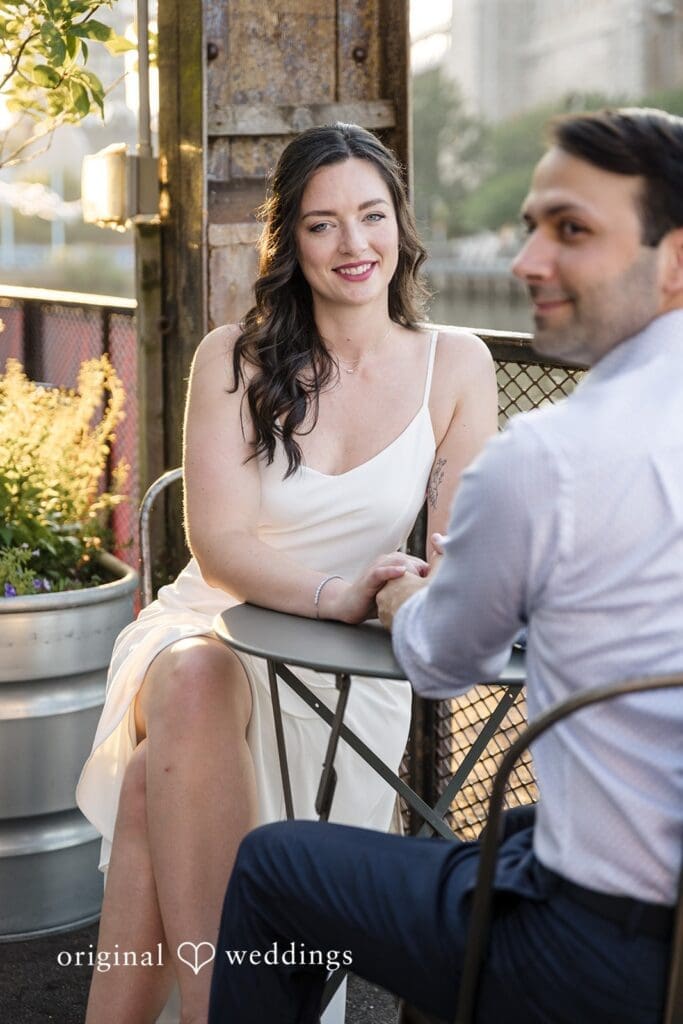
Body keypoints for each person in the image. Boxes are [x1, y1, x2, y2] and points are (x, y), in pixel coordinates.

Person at [207, 107, 683, 1024]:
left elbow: (442, 659)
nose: (525, 262)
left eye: (571, 230)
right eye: (531, 228)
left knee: (272, 864)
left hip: (603, 949)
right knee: (504, 833)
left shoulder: (547, 456)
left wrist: (401, 602)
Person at [75, 122, 498, 1023]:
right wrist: (333, 594)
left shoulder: (457, 364)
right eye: (321, 223)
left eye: (371, 215)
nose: (353, 243)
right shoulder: (235, 356)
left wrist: (397, 590)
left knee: (153, 797)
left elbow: (455, 556)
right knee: (195, 678)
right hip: (211, 625)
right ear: (290, 242)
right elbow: (219, 545)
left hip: (347, 669)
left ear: (400, 223)